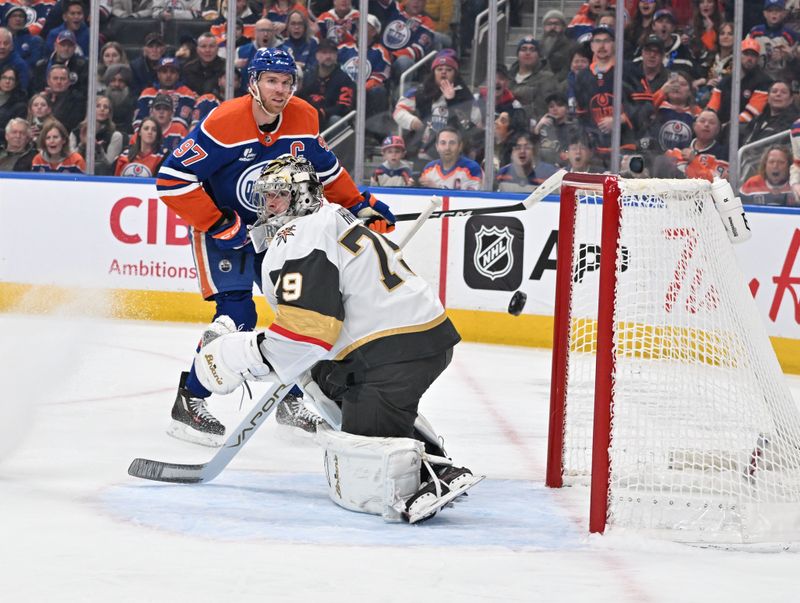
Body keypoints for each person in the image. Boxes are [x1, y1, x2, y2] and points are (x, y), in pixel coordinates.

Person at [192, 154, 472, 523]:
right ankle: (430, 456)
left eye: (279, 194)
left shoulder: (300, 235)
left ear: (303, 196)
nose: (269, 204)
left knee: (369, 469)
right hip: (408, 339)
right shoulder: (331, 216)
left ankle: (432, 476)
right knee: (324, 379)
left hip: (394, 350)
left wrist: (235, 357)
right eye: (266, 196)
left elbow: (306, 332)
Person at [155, 47, 395, 446]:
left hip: (273, 229)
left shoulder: (303, 117)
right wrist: (218, 222)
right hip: (222, 232)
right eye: (271, 81)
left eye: (286, 82)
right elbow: (171, 179)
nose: (280, 90)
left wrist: (359, 204)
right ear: (254, 82)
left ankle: (290, 398)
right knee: (238, 314)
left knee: (301, 315)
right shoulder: (224, 123)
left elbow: (326, 170)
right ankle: (190, 399)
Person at [392, 52, 474, 166]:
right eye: (439, 69)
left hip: (454, 153)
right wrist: (412, 121)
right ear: (433, 73)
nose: (444, 72)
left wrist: (452, 101)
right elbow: (398, 111)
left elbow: (468, 124)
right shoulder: (420, 91)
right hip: (423, 151)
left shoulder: (465, 95)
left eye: (449, 70)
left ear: (455, 74)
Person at [296, 38, 355, 131]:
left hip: (329, 121)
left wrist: (323, 113)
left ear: (336, 56)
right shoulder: (308, 76)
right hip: (309, 117)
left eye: (331, 53)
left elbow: (344, 107)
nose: (328, 56)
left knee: (335, 120)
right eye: (324, 52)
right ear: (317, 55)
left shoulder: (344, 79)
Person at [133, 56, 197, 131]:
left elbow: (183, 122)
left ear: (178, 75)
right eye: (164, 71)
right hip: (149, 134)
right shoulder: (147, 93)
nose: (168, 75)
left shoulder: (186, 93)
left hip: (177, 136)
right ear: (158, 74)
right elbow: (138, 121)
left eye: (172, 72)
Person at [508, 36, 560, 125]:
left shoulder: (546, 78)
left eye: (532, 50)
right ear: (518, 54)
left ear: (538, 55)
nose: (528, 53)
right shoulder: (508, 77)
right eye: (524, 49)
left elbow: (544, 108)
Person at [495, 132, 559, 192]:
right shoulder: (502, 173)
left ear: (534, 151)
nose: (522, 151)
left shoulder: (550, 174)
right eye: (517, 147)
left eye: (527, 147)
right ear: (511, 153)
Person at [0, 66, 27, 133]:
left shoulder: (20, 106)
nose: (7, 81)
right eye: (4, 77)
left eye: (11, 79)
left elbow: (14, 132)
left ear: (16, 83)